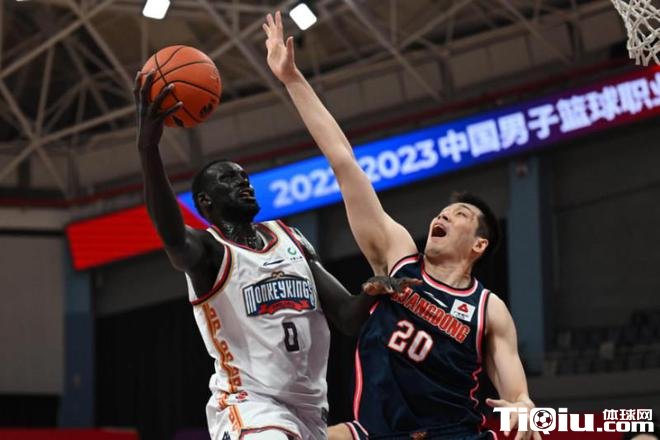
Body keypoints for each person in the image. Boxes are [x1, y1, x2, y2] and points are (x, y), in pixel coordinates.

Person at [263, 11, 540, 440]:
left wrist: (523, 406)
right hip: (375, 432)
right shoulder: (398, 257)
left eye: (460, 215)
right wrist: (292, 78)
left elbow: (517, 392)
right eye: (443, 211)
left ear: (479, 245)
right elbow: (344, 162)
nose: (443, 216)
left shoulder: (488, 309)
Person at [133, 70, 417, 440]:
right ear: (206, 202)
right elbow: (172, 235)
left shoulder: (290, 238)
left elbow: (347, 316)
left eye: (244, 177)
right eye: (228, 179)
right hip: (248, 404)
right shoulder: (209, 251)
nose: (243, 182)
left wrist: (373, 290)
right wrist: (148, 149)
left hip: (309, 411)